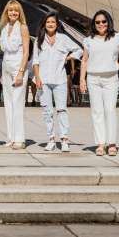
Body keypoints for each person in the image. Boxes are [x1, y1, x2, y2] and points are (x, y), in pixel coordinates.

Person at [79, 10, 119, 157]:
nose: (101, 24)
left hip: (110, 79)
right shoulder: (89, 40)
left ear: (108, 22)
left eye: (103, 21)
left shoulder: (117, 37)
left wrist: (117, 66)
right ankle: (101, 144)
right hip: (93, 78)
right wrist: (82, 79)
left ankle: (112, 143)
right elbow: (85, 60)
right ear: (94, 24)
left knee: (110, 110)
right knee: (97, 111)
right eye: (97, 22)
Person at [33, 12, 82, 152]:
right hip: (43, 80)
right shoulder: (39, 40)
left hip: (59, 79)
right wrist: (37, 78)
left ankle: (64, 139)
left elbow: (79, 50)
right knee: (47, 111)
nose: (50, 24)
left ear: (57, 24)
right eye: (48, 22)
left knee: (62, 110)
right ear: (44, 24)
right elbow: (35, 61)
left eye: (53, 22)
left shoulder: (63, 38)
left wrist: (68, 57)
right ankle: (51, 139)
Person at [0, 0, 30, 150]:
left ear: (19, 13)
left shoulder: (23, 27)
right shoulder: (4, 28)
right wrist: (1, 72)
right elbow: (3, 51)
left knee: (17, 103)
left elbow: (26, 52)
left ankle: (19, 138)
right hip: (6, 67)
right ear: (7, 12)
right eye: (11, 10)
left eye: (16, 10)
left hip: (18, 66)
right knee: (8, 103)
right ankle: (11, 137)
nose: (13, 12)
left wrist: (21, 72)